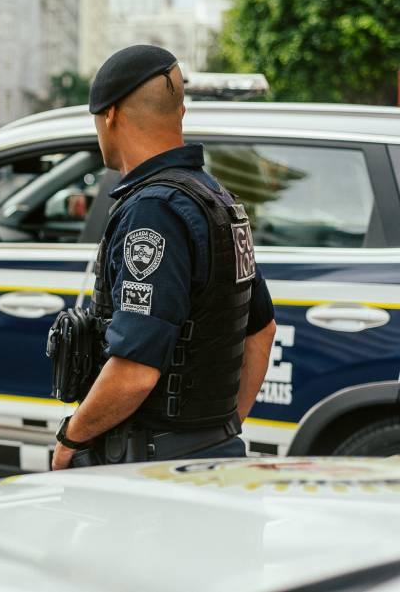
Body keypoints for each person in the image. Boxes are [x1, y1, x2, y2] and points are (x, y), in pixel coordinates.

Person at [50, 45, 278, 470]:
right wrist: (220, 432)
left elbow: (135, 370)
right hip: (216, 457)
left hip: (150, 472)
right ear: (181, 112)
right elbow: (260, 332)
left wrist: (70, 439)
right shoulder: (220, 201)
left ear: (110, 114)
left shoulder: (153, 210)